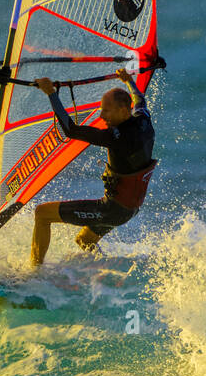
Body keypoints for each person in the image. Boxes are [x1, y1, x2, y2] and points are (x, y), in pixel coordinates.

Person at [30, 69, 155, 266]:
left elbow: (70, 130)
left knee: (42, 214)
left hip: (112, 209)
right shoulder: (143, 119)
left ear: (123, 111)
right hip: (130, 210)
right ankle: (104, 273)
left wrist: (51, 93)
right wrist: (129, 81)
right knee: (84, 240)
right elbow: (139, 99)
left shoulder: (116, 138)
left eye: (106, 110)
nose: (101, 115)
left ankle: (33, 275)